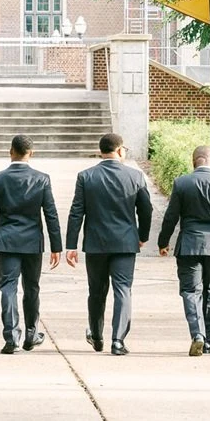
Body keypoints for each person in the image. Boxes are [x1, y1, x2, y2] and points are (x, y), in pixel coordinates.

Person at [65, 133, 152, 356]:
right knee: (123, 290)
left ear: (101, 150)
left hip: (96, 244)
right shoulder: (135, 176)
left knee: (96, 291)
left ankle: (96, 335)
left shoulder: (86, 176)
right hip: (125, 243)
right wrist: (142, 235)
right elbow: (146, 209)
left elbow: (76, 212)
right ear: (120, 150)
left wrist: (71, 245)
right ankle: (118, 340)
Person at [158, 144, 210, 356]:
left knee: (190, 291)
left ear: (193, 161)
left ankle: (197, 334)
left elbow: (171, 216)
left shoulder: (182, 183)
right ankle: (208, 341)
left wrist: (163, 241)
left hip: (189, 244)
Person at [0, 135, 63, 354]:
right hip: (31, 241)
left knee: (8, 288)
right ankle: (31, 333)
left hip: (7, 240)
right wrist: (57, 246)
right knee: (32, 288)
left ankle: (11, 337)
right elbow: (51, 214)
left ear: (11, 151)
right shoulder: (41, 179)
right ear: (31, 153)